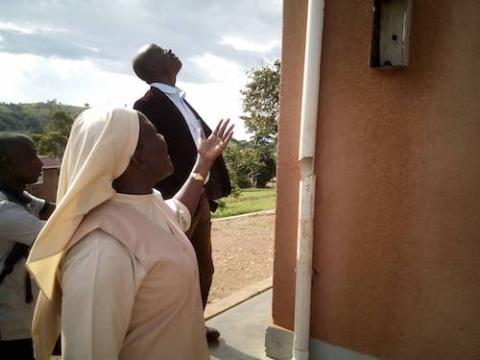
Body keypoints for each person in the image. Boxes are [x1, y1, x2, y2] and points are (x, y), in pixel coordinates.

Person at [26, 108, 233, 360]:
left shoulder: (147, 203)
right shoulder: (101, 248)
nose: (163, 138)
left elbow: (178, 213)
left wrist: (203, 163)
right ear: (137, 158)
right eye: (154, 133)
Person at [132, 44, 231, 342]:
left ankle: (193, 326)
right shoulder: (145, 106)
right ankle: (170, 332)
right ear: (152, 68)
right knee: (174, 271)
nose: (171, 51)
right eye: (162, 51)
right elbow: (147, 159)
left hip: (199, 199)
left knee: (203, 266)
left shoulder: (180, 100)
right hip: (174, 203)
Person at [0, 133, 54, 360]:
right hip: (11, 327)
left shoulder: (21, 198)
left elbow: (56, 210)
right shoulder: (4, 209)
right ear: (7, 163)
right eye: (30, 157)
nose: (40, 163)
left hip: (26, 318)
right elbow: (57, 232)